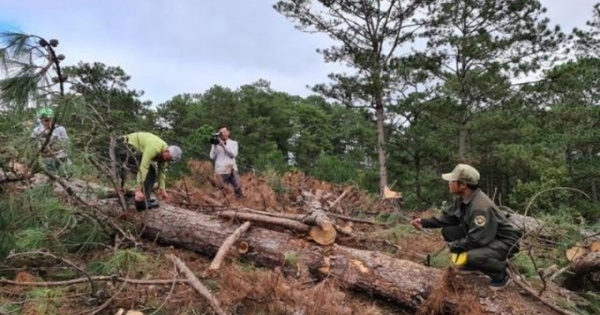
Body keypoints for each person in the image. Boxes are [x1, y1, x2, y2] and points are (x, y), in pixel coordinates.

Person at [411, 163, 522, 290]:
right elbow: (450, 218)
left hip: (505, 242)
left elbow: (476, 240)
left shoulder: (480, 207)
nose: (449, 183)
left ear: (463, 185)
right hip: (486, 235)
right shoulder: (464, 198)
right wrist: (425, 222)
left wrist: (455, 246)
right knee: (449, 231)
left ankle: (500, 274)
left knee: (471, 256)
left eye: (452, 181)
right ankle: (473, 264)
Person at [113, 132, 182, 209]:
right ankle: (140, 202)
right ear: (167, 151)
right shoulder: (154, 148)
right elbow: (143, 167)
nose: (167, 161)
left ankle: (145, 199)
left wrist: (162, 190)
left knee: (152, 172)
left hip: (132, 149)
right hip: (123, 146)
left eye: (170, 160)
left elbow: (161, 172)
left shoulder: (164, 154)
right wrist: (138, 190)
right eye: (168, 158)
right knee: (148, 171)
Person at [31, 107, 71, 176]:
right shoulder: (36, 131)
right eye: (46, 120)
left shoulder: (60, 129)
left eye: (50, 120)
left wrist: (60, 150)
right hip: (46, 159)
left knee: (68, 172)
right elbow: (33, 147)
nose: (48, 122)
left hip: (61, 157)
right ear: (41, 120)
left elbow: (66, 143)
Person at [209, 125, 243, 198]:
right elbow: (212, 156)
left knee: (238, 188)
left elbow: (233, 154)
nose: (223, 134)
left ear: (228, 132)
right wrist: (215, 146)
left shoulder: (233, 143)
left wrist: (223, 146)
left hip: (232, 169)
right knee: (220, 191)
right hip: (220, 171)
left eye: (224, 132)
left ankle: (239, 203)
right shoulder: (215, 144)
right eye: (221, 132)